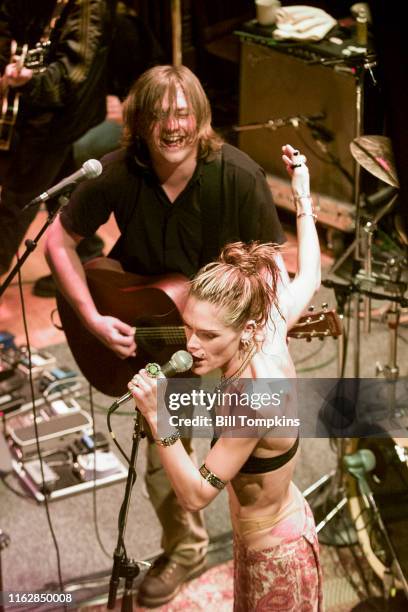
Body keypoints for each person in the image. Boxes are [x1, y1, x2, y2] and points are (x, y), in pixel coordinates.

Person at [44, 64, 288, 607]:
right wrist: (91, 317)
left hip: (219, 340)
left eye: (182, 112)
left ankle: (240, 543)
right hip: (144, 320)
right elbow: (58, 243)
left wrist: (246, 342)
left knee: (218, 459)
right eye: (158, 115)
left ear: (200, 118)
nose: (171, 126)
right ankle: (188, 547)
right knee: (161, 461)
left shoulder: (238, 176)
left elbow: (276, 273)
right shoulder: (117, 171)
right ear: (139, 124)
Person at [127, 143, 322, 611]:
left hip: (275, 554)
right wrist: (302, 196)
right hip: (266, 534)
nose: (191, 344)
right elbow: (310, 275)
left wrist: (161, 421)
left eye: (207, 335)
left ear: (245, 329)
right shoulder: (268, 329)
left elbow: (195, 496)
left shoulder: (253, 403)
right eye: (189, 328)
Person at [0, 0, 116, 292]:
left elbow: (71, 77)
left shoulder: (89, 6)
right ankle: (88, 257)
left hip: (62, 117)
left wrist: (31, 81)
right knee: (60, 189)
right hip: (28, 106)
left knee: (16, 199)